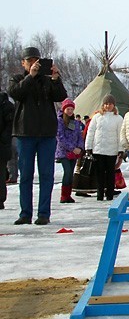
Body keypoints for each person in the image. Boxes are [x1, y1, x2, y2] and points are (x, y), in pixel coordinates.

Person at [8, 47, 68, 225]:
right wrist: (30, 76)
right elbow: (15, 93)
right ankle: (25, 213)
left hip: (46, 133)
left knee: (46, 175)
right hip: (25, 132)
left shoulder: (47, 80)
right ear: (23, 63)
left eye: (37, 61)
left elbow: (61, 96)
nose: (34, 64)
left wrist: (56, 79)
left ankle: (44, 213)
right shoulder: (19, 79)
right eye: (30, 61)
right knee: (25, 175)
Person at [85, 95, 124, 201]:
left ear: (114, 105)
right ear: (103, 105)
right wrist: (88, 147)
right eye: (106, 104)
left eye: (110, 104)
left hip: (111, 150)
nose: (108, 106)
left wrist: (121, 150)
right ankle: (100, 194)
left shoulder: (118, 118)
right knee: (99, 173)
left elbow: (120, 135)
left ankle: (110, 194)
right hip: (98, 149)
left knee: (111, 173)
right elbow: (91, 132)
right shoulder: (97, 117)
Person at [55, 98, 84, 204]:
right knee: (67, 172)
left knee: (70, 173)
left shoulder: (75, 122)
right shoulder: (60, 121)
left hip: (74, 153)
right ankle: (64, 195)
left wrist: (80, 148)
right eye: (68, 109)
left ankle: (68, 195)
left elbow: (79, 136)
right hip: (64, 152)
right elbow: (60, 137)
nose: (70, 111)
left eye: (72, 109)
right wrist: (72, 148)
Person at [0, 91, 14, 209]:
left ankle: (0, 200)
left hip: (2, 145)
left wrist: (4, 139)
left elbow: (9, 126)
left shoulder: (6, 105)